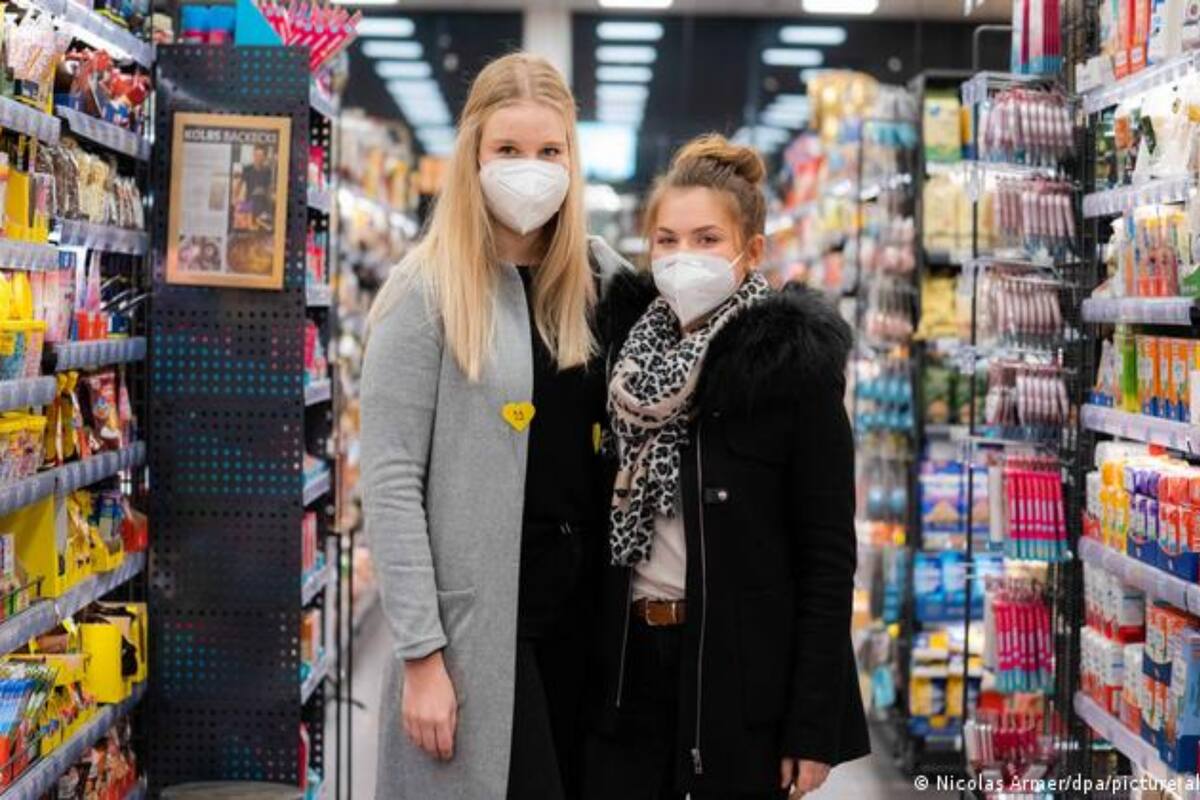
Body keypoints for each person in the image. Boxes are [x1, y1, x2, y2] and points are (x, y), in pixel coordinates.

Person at [360, 52, 648, 800]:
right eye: (509, 150)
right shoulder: (424, 294)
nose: (531, 169)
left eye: (550, 151)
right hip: (481, 630)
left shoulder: (601, 284)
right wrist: (421, 656)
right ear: (473, 154)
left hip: (586, 622)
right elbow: (390, 484)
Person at [585, 134, 871, 800]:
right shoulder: (617, 361)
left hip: (740, 680)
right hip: (626, 668)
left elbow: (827, 558)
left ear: (752, 250)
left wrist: (811, 726)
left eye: (708, 239)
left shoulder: (792, 372)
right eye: (667, 240)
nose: (684, 257)